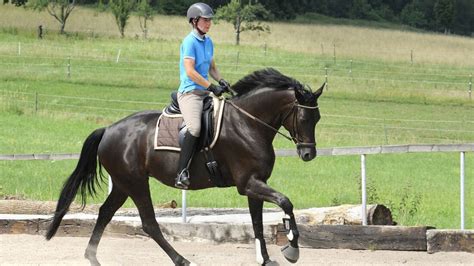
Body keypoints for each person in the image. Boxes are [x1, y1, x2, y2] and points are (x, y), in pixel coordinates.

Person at [175, 2, 231, 189]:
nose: (209, 23)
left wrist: (221, 80)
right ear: (194, 21)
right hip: (190, 93)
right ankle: (181, 172)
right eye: (205, 20)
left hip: (205, 92)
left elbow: (211, 67)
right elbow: (190, 71)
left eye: (210, 20)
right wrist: (211, 86)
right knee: (195, 128)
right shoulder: (189, 42)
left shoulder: (208, 41)